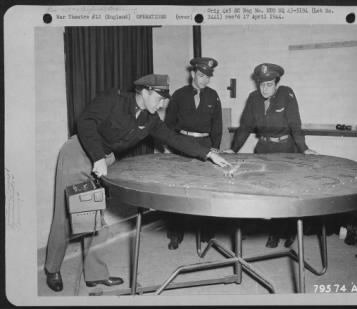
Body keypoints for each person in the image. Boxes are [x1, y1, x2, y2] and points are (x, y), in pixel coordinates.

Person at [44, 74, 231, 292]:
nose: (161, 105)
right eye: (159, 99)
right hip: (78, 154)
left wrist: (207, 153)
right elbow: (85, 122)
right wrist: (97, 157)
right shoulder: (113, 100)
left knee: (93, 214)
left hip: (104, 159)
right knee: (66, 215)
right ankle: (52, 268)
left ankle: (95, 275)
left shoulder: (149, 120)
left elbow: (173, 138)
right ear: (145, 91)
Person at [226, 63, 317, 248]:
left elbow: (295, 125)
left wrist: (304, 148)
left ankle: (289, 231)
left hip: (285, 150)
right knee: (266, 192)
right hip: (264, 150)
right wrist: (233, 149)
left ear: (276, 83)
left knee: (286, 193)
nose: (264, 88)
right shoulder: (253, 99)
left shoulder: (286, 94)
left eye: (269, 84)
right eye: (261, 84)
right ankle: (272, 232)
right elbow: (245, 127)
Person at [163, 57, 223, 250]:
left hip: (205, 144)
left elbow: (217, 125)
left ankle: (207, 232)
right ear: (192, 74)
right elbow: (169, 125)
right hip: (182, 144)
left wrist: (215, 147)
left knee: (206, 189)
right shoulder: (179, 95)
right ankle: (175, 234)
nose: (205, 80)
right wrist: (168, 146)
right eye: (201, 75)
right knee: (179, 189)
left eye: (208, 77)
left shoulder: (213, 96)